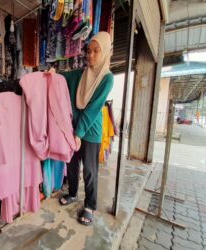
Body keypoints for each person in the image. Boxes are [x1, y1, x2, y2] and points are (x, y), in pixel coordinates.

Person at [59, 32, 114, 226]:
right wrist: (50, 74)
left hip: (90, 130)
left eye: (96, 51)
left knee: (90, 170)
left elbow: (92, 109)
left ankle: (90, 205)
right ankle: (73, 193)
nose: (90, 55)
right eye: (88, 51)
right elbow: (61, 78)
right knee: (72, 165)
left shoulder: (107, 78)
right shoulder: (80, 74)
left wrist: (79, 133)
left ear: (105, 52)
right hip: (74, 128)